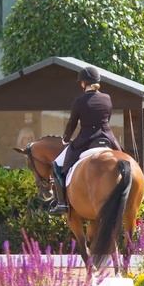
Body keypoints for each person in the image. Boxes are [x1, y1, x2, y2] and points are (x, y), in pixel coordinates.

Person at [49, 66, 121, 215]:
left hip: (86, 140)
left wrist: (66, 139)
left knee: (56, 166)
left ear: (83, 83)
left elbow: (72, 123)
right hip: (108, 138)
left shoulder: (79, 101)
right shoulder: (107, 99)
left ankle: (62, 203)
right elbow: (106, 119)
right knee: (125, 162)